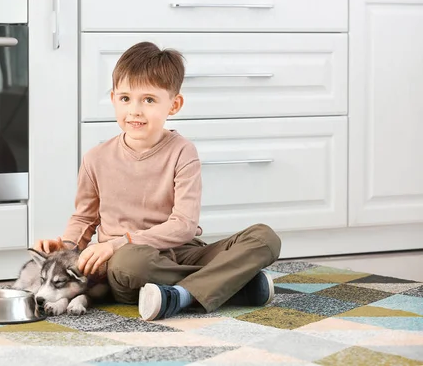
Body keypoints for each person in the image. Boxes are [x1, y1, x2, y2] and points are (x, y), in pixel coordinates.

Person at [33, 41, 282, 321]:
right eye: (126, 98)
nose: (135, 111)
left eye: (149, 100)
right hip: (130, 264)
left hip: (181, 253)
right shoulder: (95, 158)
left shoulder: (182, 151)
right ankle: (232, 285)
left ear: (174, 104)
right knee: (130, 265)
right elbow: (84, 218)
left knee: (264, 238)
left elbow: (184, 226)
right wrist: (66, 247)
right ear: (114, 98)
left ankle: (180, 295)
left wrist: (116, 243)